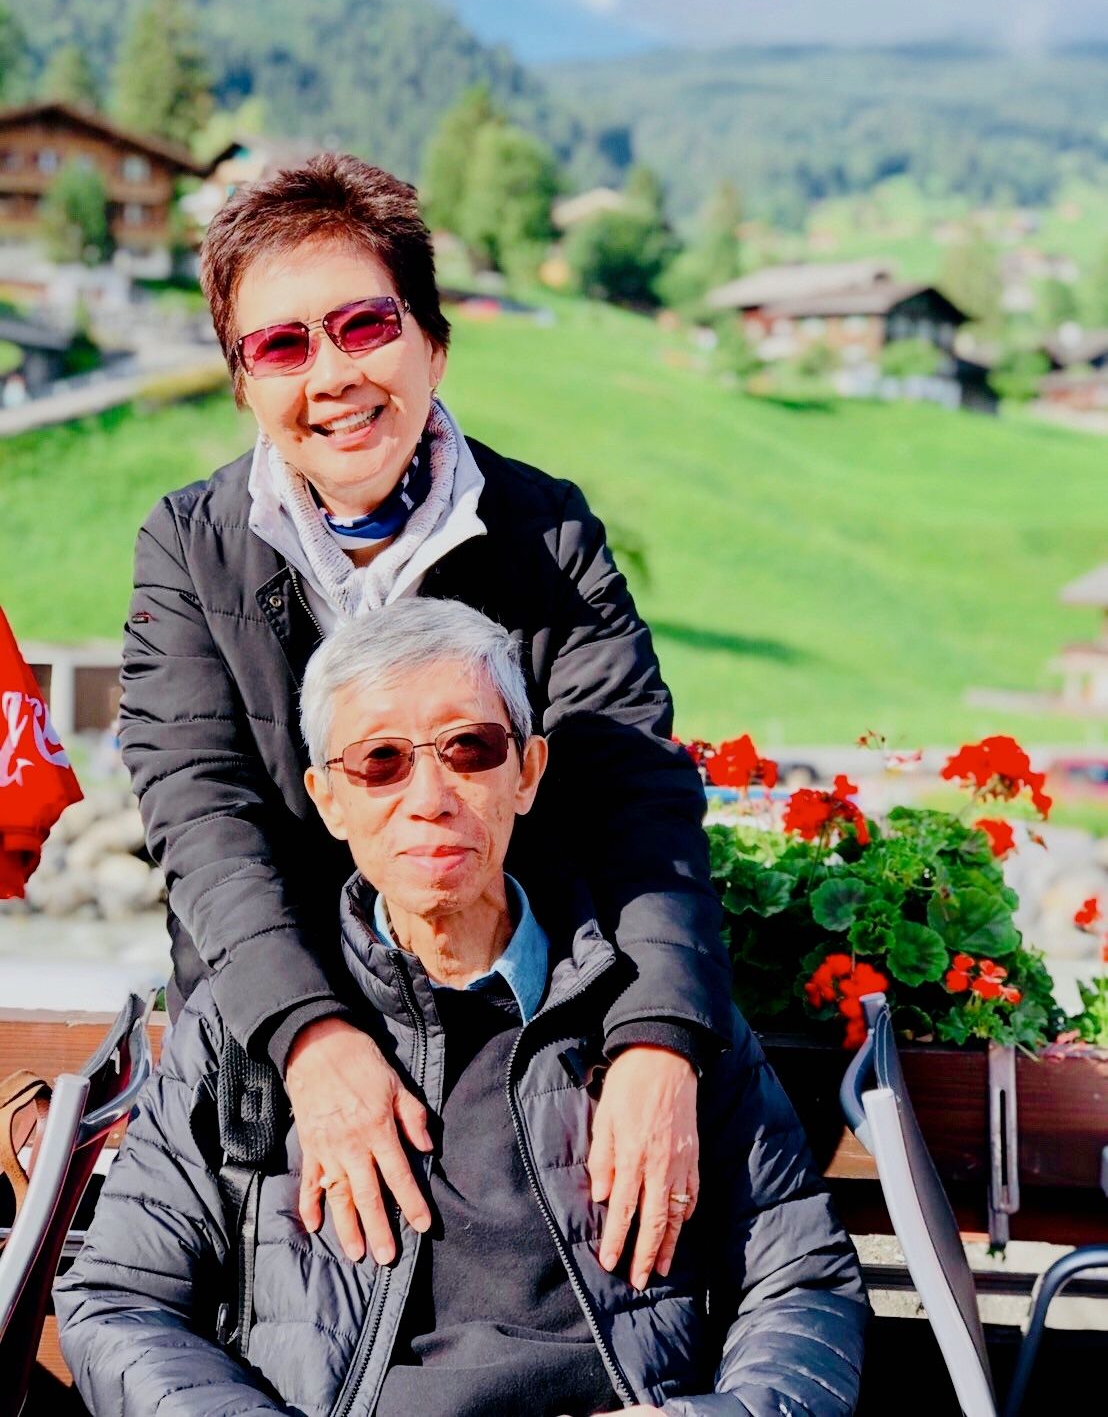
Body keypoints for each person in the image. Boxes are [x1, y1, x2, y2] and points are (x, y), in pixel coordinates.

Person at [119, 152, 733, 1286]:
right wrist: (310, 1034)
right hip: (278, 1065)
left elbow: (633, 795)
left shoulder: (548, 534)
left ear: (433, 342)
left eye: (365, 324)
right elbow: (201, 818)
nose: (333, 375)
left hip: (516, 1051)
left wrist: (657, 1037)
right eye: (281, 345)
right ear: (243, 382)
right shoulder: (189, 548)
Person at [56, 600, 868, 1416]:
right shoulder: (244, 1030)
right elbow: (121, 1302)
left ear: (527, 772)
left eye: (469, 748)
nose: (431, 797)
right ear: (329, 799)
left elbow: (802, 1283)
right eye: (380, 760)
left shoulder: (655, 1021)